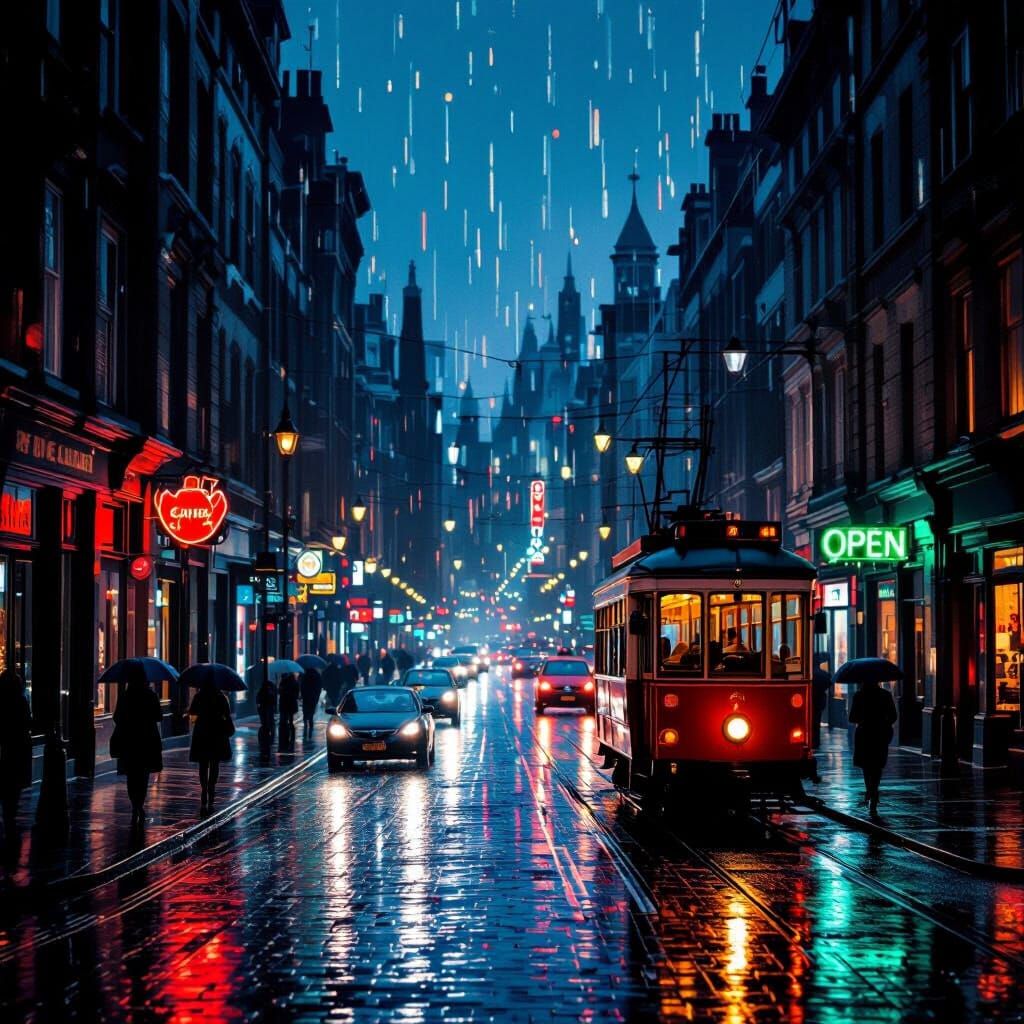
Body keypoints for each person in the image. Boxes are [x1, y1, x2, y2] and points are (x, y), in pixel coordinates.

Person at [111, 668, 163, 830]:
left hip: (129, 740)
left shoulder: (126, 696)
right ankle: (139, 803)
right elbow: (159, 717)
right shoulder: (151, 695)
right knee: (143, 774)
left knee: (131, 774)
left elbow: (116, 717)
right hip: (147, 740)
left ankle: (135, 805)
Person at [849, 678, 898, 816]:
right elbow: (894, 716)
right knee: (877, 765)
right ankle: (874, 790)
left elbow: (852, 718)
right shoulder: (885, 695)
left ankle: (870, 790)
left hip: (864, 734)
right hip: (880, 734)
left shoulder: (859, 695)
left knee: (866, 765)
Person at [188, 678, 235, 813]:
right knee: (215, 763)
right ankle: (211, 789)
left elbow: (193, 712)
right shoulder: (221, 697)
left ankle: (204, 789)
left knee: (203, 764)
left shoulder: (199, 696)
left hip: (202, 732)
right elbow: (227, 715)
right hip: (217, 732)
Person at [0, 669, 32, 844]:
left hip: (6, 749)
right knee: (13, 788)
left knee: (6, 784)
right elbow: (27, 723)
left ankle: (7, 816)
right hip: (18, 750)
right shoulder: (21, 701)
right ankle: (10, 816)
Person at [811, 662, 832, 748]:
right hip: (820, 700)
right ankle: (816, 741)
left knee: (812, 721)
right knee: (817, 721)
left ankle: (813, 740)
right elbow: (829, 683)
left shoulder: (812, 674)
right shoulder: (824, 674)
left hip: (812, 699)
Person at [278, 672, 299, 748]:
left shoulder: (283, 682)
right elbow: (297, 694)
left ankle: (285, 734)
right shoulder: (295, 682)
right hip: (291, 703)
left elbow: (280, 692)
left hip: (284, 703)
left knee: (284, 719)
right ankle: (290, 733)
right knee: (290, 719)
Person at [300, 668, 322, 740]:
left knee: (305, 709)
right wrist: (317, 696)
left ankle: (305, 721)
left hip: (306, 696)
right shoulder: (317, 676)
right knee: (311, 710)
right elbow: (319, 687)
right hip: (313, 697)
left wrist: (302, 695)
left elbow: (302, 686)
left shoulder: (305, 676)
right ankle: (310, 721)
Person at [256, 677, 277, 748]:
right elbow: (273, 702)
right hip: (268, 710)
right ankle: (269, 738)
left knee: (264, 723)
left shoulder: (260, 692)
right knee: (270, 724)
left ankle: (263, 737)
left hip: (263, 710)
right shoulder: (270, 692)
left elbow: (258, 701)